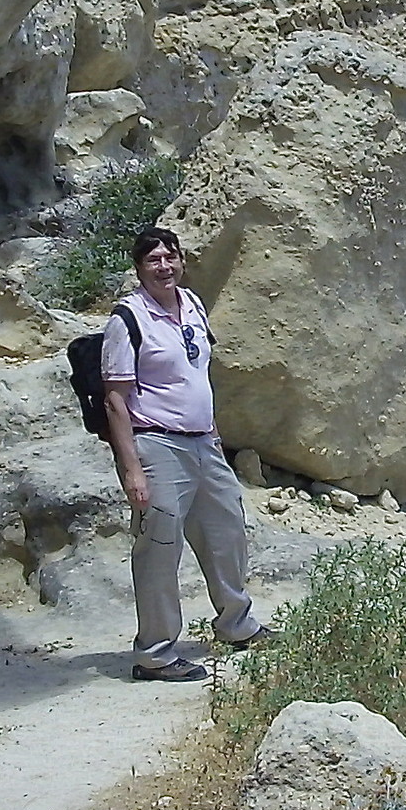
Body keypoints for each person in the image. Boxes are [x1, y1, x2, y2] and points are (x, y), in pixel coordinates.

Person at [103, 226, 270, 682]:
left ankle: (236, 624)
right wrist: (131, 469)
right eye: (153, 260)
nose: (163, 267)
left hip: (203, 442)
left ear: (181, 262)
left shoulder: (192, 305)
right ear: (139, 268)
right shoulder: (128, 320)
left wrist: (213, 434)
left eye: (170, 258)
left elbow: (199, 373)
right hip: (157, 444)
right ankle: (155, 654)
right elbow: (116, 400)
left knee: (227, 529)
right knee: (159, 547)